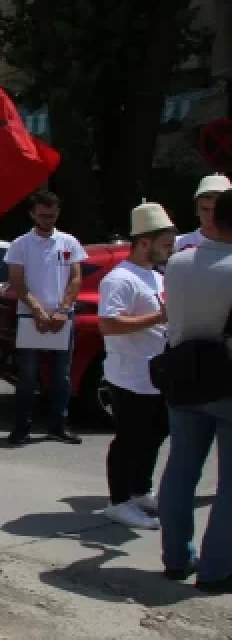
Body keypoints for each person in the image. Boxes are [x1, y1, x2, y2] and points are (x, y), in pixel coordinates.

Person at [157, 188, 232, 592]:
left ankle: (175, 558)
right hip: (228, 382)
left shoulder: (179, 262)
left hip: (183, 376)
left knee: (180, 472)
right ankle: (217, 569)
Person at [97, 202, 174, 530]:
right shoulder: (120, 279)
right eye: (165, 244)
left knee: (155, 434)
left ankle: (140, 490)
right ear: (145, 241)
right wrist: (159, 317)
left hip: (156, 374)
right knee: (128, 439)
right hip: (129, 375)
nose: (169, 251)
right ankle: (118, 502)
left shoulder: (155, 276)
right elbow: (109, 324)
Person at [4, 191, 86, 446]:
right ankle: (22, 426)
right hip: (30, 315)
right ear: (32, 214)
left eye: (51, 215)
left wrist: (62, 310)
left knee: (62, 376)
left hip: (62, 316)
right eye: (42, 215)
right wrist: (37, 310)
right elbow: (17, 282)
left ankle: (58, 425)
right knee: (28, 376)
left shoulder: (69, 243)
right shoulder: (20, 244)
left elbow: (75, 279)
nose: (47, 220)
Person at [176, 173, 230, 252]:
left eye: (217, 210)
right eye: (205, 209)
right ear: (196, 210)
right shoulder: (178, 243)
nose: (211, 215)